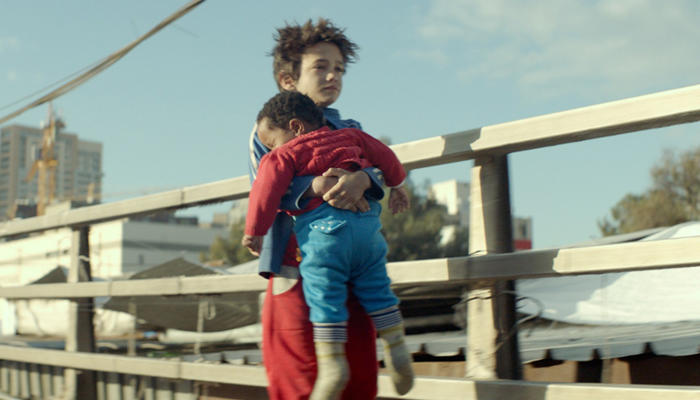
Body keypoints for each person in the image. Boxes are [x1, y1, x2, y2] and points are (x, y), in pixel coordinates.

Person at [248, 19, 387, 399]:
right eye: (320, 67)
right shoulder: (268, 130)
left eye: (338, 68)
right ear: (288, 80)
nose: (332, 76)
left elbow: (381, 168)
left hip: (352, 265)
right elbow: (265, 188)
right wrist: (316, 186)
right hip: (295, 265)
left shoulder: (352, 129)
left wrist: (363, 180)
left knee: (358, 373)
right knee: (300, 377)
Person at [243, 91, 414, 399]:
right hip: (367, 231)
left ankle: (333, 364)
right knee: (377, 288)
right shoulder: (351, 135)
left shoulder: (284, 155)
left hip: (325, 236)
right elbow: (385, 157)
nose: (271, 150)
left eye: (272, 143)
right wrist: (398, 185)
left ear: (295, 127)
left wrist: (255, 231)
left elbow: (265, 191)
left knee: (325, 295)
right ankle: (397, 345)